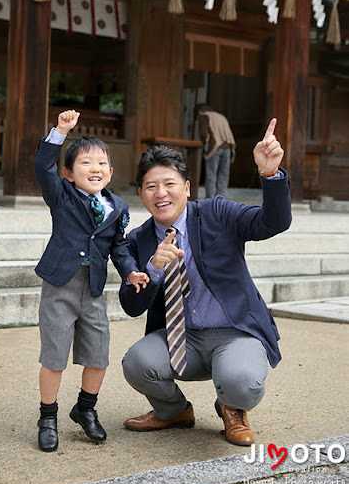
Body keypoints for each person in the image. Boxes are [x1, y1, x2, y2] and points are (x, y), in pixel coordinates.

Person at [119, 118, 291, 446]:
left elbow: (274, 222)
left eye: (169, 184)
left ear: (186, 187)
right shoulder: (137, 240)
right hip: (182, 337)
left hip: (236, 332)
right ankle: (173, 411)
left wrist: (269, 174)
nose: (161, 193)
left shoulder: (217, 213)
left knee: (241, 380)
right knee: (137, 362)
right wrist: (153, 268)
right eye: (151, 186)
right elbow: (130, 303)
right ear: (140, 193)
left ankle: (232, 408)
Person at [34, 110, 148, 452]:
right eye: (86, 162)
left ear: (111, 172)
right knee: (54, 357)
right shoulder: (61, 195)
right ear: (69, 174)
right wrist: (60, 132)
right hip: (60, 286)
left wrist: (130, 270)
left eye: (102, 163)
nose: (95, 168)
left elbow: (118, 246)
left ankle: (85, 409)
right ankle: (47, 417)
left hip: (94, 290)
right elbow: (43, 167)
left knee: (98, 356)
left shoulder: (117, 207)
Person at [195, 104, 236, 198]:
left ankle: (210, 199)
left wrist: (205, 144)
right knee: (224, 175)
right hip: (227, 147)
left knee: (211, 175)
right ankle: (220, 199)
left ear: (200, 111)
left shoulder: (204, 116)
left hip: (214, 147)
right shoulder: (221, 116)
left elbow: (203, 133)